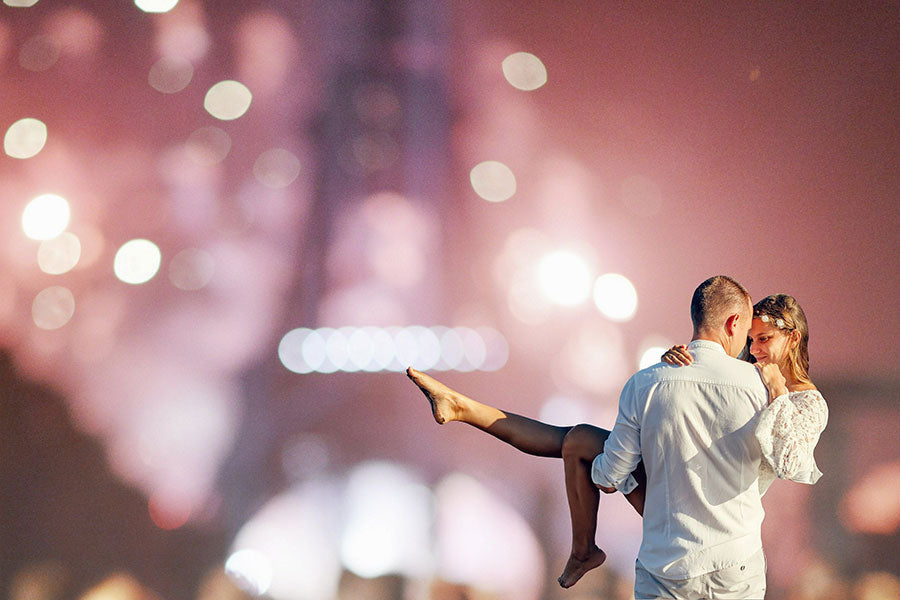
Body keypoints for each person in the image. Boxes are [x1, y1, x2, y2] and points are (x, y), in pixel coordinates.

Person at [407, 277, 827, 596]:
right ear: (735, 323)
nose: (752, 349)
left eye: (763, 340)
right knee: (577, 438)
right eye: (750, 339)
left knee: (577, 441)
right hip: (729, 557)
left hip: (670, 555)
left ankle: (467, 411)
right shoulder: (749, 385)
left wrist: (620, 469)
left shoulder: (654, 382)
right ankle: (465, 410)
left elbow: (608, 476)